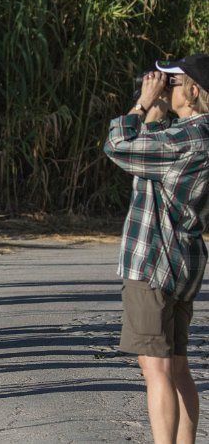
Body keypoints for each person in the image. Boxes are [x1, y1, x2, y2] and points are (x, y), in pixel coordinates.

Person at [103, 53, 209, 444]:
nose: (165, 87)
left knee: (157, 371)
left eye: (173, 83)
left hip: (153, 261)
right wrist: (157, 114)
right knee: (178, 368)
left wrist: (142, 104)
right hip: (184, 261)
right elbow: (145, 157)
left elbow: (118, 146)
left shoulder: (183, 139)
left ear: (194, 91)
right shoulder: (199, 136)